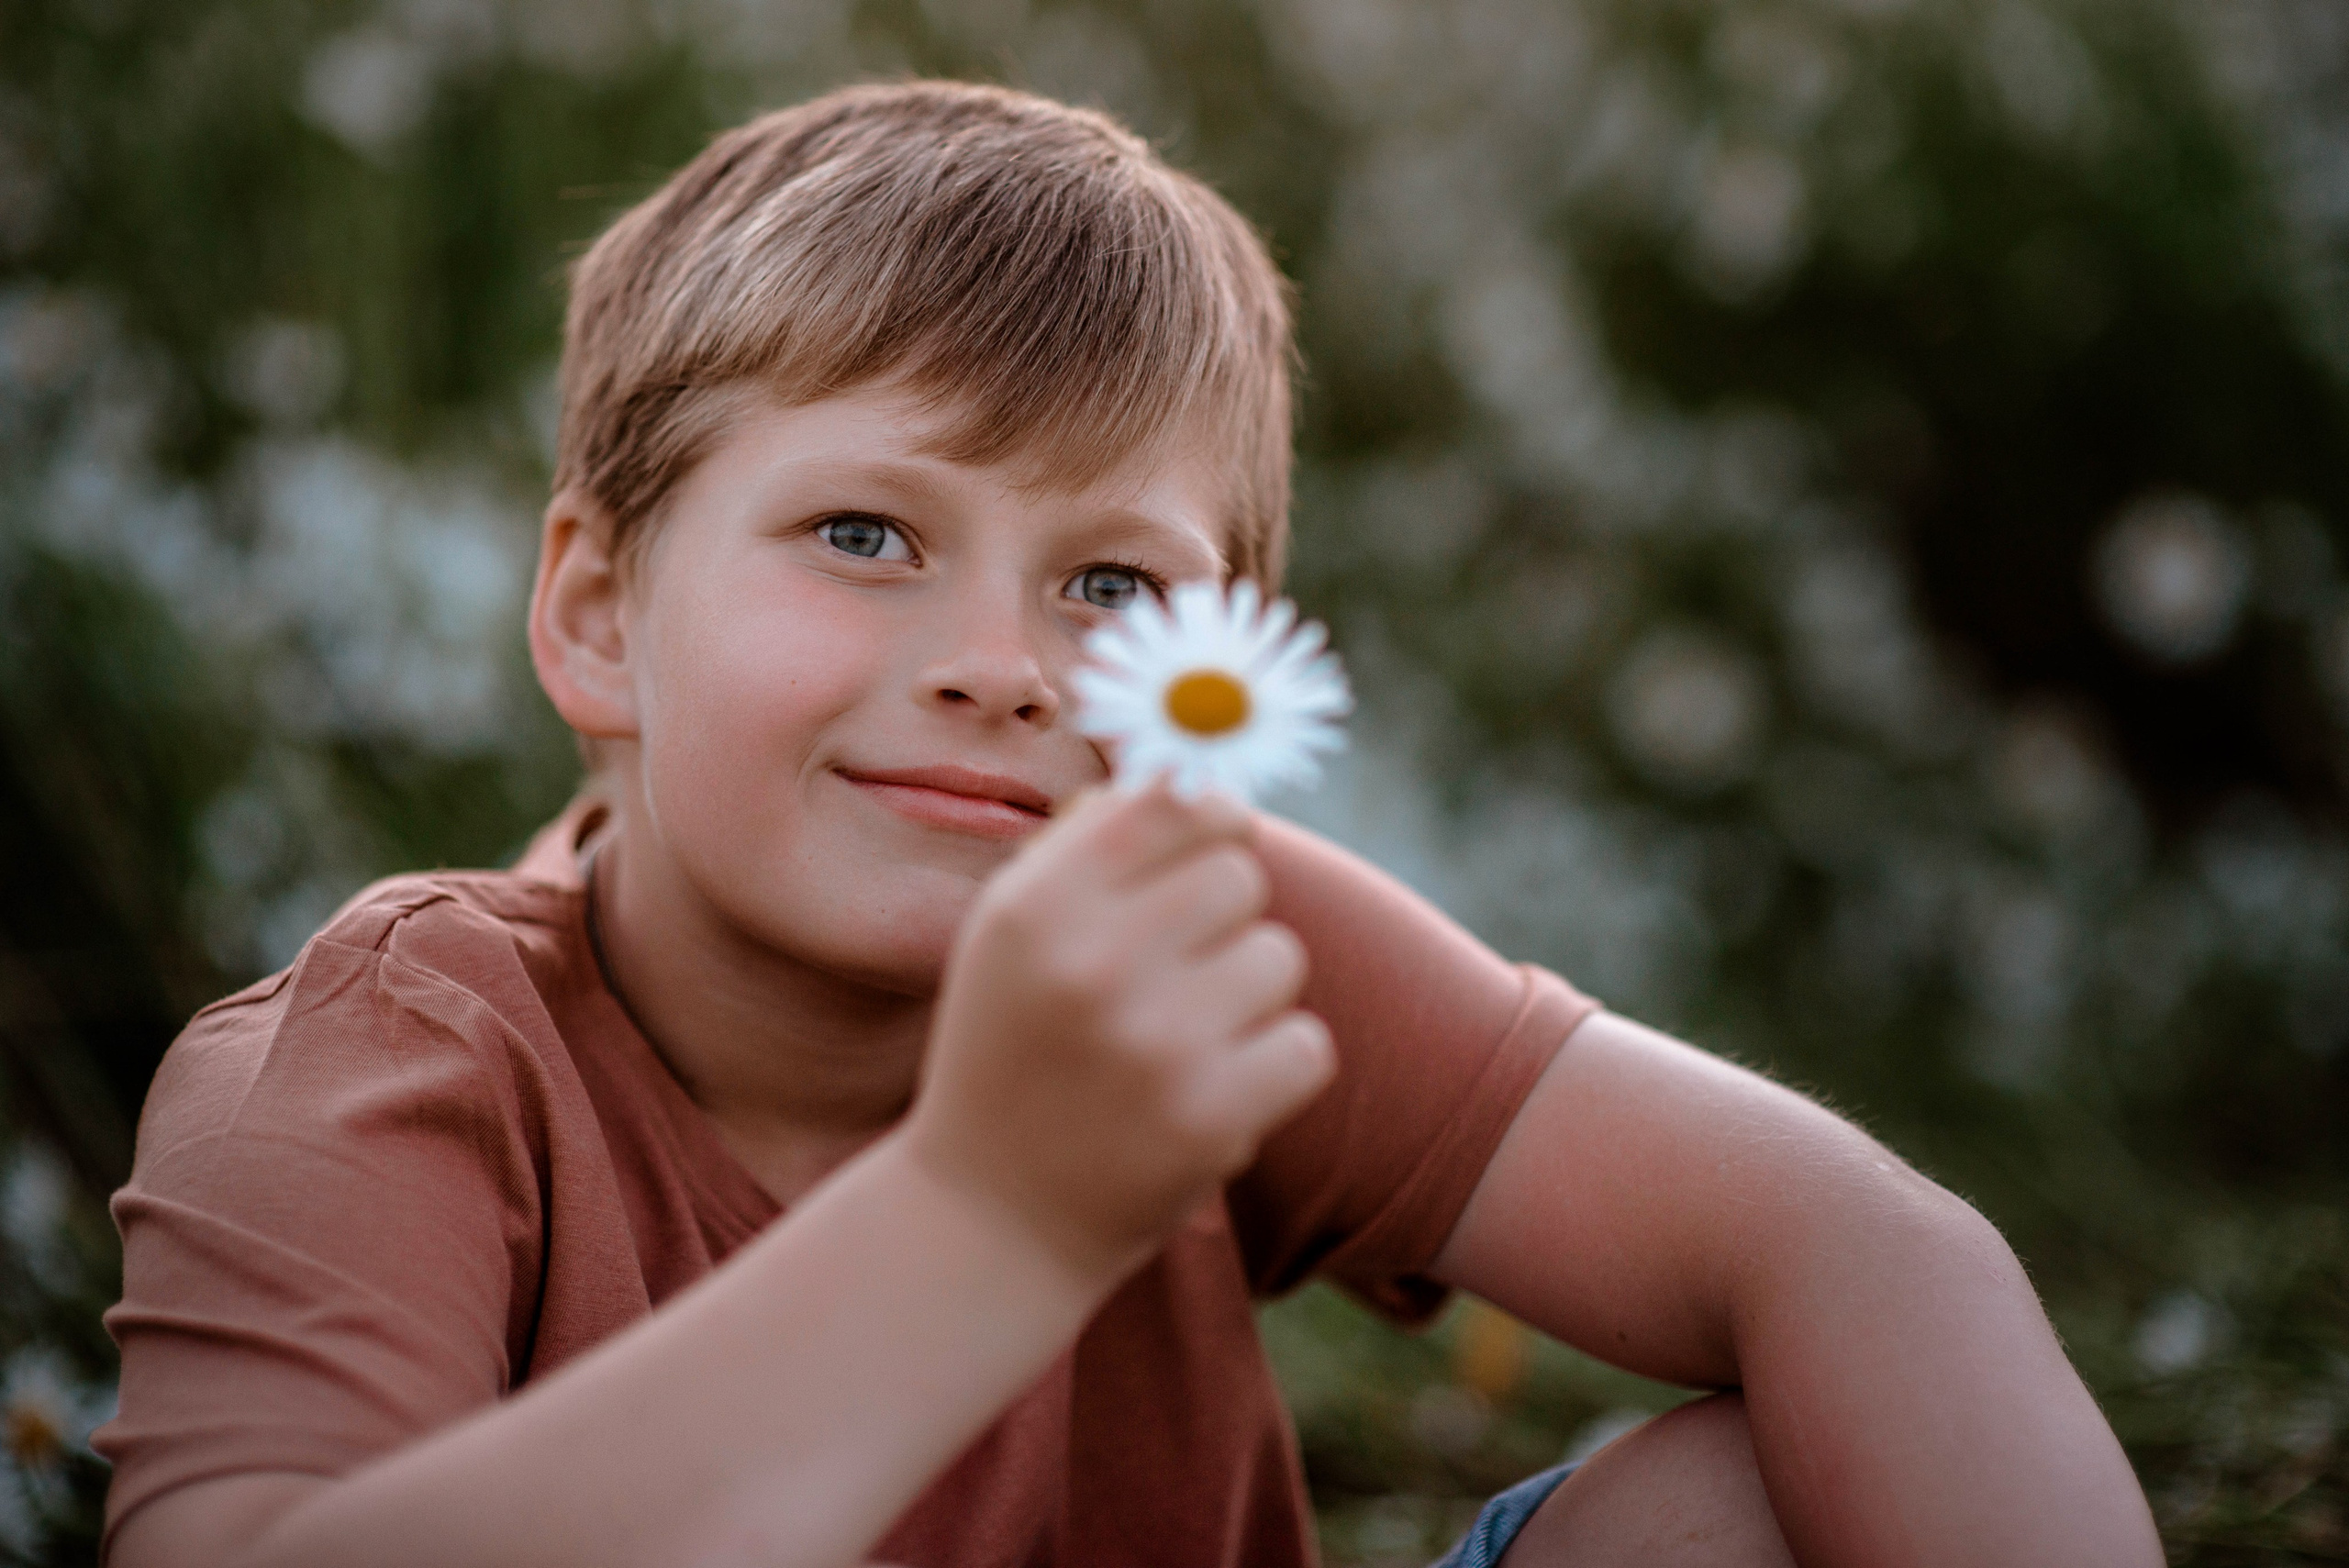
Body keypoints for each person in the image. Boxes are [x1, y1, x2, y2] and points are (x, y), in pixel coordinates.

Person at [96, 81, 2162, 1568]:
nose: (1003, 663)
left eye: (1109, 590)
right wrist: (994, 1215)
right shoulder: (396, 1060)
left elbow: (1855, 1250)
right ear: (595, 611)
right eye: (863, 531)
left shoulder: (1205, 942)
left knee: (1744, 1507)